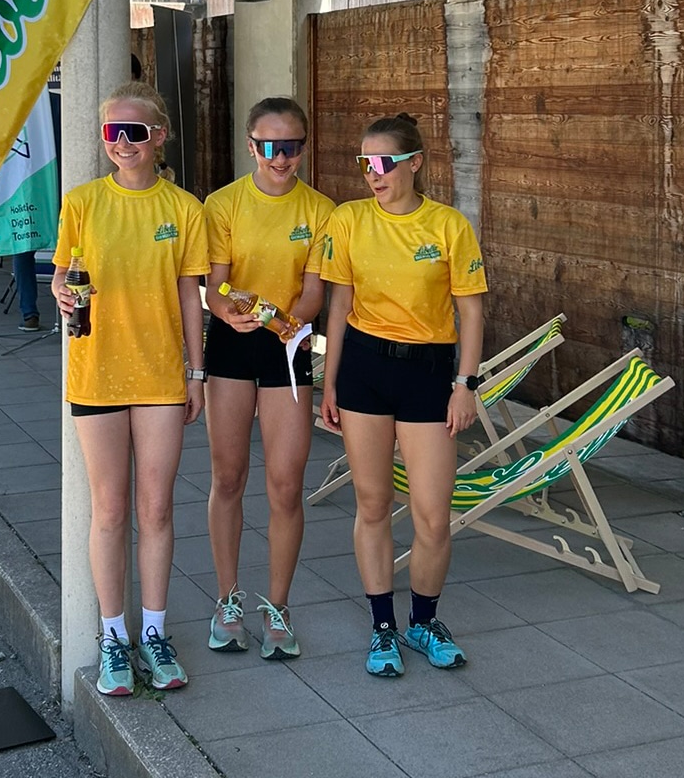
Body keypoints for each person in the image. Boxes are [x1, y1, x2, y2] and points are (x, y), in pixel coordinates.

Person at [51, 81, 208, 697]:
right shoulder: (82, 202)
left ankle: (155, 633)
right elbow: (63, 274)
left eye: (134, 132)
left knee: (157, 508)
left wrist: (196, 372)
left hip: (161, 375)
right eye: (112, 132)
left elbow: (189, 296)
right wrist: (61, 292)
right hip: (96, 373)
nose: (122, 143)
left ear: (159, 136)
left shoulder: (184, 209)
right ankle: (113, 637)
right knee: (110, 509)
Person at [318, 112, 487, 678]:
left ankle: (424, 621)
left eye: (384, 162)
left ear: (415, 163)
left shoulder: (448, 225)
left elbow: (470, 311)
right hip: (364, 369)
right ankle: (382, 626)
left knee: (433, 517)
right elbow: (339, 307)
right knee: (372, 505)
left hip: (428, 373)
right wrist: (330, 383)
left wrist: (465, 385)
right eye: (364, 162)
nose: (374, 173)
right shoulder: (348, 220)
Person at [202, 97, 333, 660]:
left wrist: (291, 322)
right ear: (251, 146)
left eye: (293, 146)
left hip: (288, 347)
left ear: (304, 146)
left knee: (285, 484)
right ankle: (227, 600)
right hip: (232, 345)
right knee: (228, 477)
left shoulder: (321, 210)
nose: (282, 158)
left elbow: (315, 289)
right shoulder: (223, 204)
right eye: (271, 147)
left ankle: (278, 606)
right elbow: (215, 284)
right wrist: (226, 309)